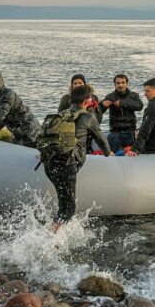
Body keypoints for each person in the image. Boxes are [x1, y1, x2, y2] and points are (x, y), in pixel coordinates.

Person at [42, 86, 112, 232]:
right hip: (67, 165)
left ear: (69, 100)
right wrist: (108, 153)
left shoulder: (60, 114)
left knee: (63, 204)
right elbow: (101, 141)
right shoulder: (88, 117)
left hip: (49, 164)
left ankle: (57, 235)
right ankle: (49, 237)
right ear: (88, 101)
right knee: (68, 208)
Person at [0, 71, 40, 147]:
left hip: (29, 133)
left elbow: (0, 117)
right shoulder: (2, 96)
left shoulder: (7, 96)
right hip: (23, 133)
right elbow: (2, 120)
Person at [100, 74, 144, 152]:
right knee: (113, 156)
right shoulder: (110, 96)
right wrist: (102, 105)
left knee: (130, 155)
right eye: (118, 83)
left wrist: (122, 103)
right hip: (115, 132)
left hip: (130, 131)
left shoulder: (133, 95)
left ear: (127, 83)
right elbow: (98, 111)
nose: (120, 85)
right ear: (115, 84)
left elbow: (139, 106)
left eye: (123, 83)